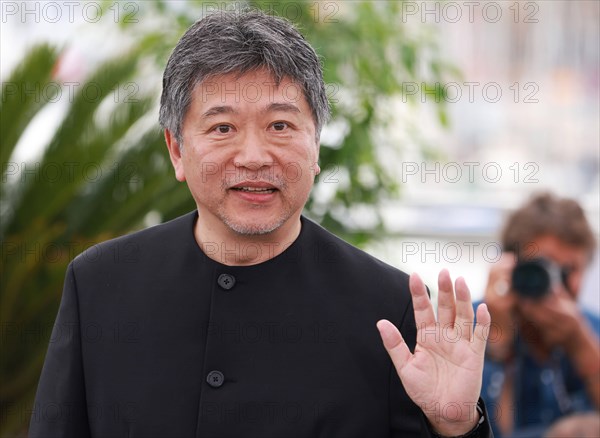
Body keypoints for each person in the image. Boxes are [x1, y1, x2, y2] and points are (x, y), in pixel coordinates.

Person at [30, 10, 493, 437]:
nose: (254, 157)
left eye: (280, 126)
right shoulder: (100, 284)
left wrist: (456, 428)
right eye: (222, 128)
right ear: (176, 149)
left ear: (315, 145)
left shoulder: (390, 310)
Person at [479, 192, 599, 437]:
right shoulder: (470, 323)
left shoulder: (592, 330)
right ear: (513, 266)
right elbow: (465, 426)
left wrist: (582, 347)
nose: (556, 286)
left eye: (569, 270)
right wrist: (496, 342)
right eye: (545, 268)